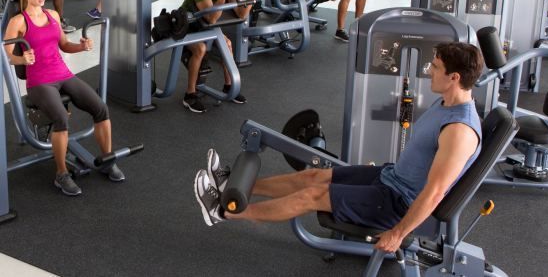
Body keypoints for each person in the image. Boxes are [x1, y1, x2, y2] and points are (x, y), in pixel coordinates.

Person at [193, 42, 484, 254]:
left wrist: (398, 233)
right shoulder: (445, 101)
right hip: (390, 177)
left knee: (312, 195)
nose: (429, 71)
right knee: (313, 177)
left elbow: (434, 193)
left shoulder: (460, 131)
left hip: (397, 202)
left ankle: (226, 213)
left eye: (435, 67)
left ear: (454, 77)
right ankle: (230, 184)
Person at [3, 0, 125, 196]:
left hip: (64, 74)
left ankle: (108, 160)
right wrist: (22, 59)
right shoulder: (18, 21)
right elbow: (7, 55)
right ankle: (62, 174)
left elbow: (64, 45)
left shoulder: (53, 15)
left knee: (101, 108)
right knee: (60, 117)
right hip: (40, 81)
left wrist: (81, 46)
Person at [179, 0, 263, 113]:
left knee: (227, 44)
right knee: (200, 49)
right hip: (187, 26)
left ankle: (228, 87)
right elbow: (211, 18)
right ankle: (189, 95)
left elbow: (241, 14)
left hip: (206, 26)